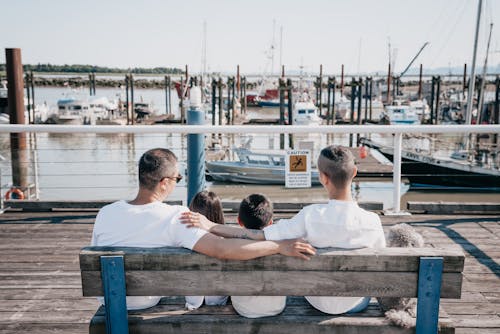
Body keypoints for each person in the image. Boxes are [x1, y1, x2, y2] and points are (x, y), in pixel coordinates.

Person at [91, 148, 315, 310]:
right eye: (177, 178)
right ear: (164, 183)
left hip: (111, 299)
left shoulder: (106, 213)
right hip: (147, 300)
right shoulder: (175, 217)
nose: (177, 182)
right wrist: (278, 246)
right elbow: (224, 250)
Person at [181, 145, 386, 315]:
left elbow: (259, 235)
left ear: (323, 178)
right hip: (355, 303)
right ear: (355, 173)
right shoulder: (373, 222)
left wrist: (211, 226)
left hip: (319, 301)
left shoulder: (309, 216)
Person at [231, 194, 286, 318]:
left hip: (243, 308)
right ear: (271, 222)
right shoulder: (282, 243)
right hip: (276, 307)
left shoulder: (231, 245)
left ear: (239, 221)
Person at [185, 191, 228, 310]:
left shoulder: (184, 238)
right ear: (219, 213)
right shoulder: (226, 241)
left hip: (192, 300)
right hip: (218, 298)